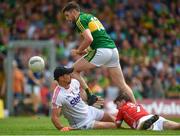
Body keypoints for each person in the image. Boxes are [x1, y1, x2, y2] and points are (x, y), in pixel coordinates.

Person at [61, 1, 136, 104]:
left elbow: (89, 39)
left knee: (72, 71)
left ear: (74, 12)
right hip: (113, 50)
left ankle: (90, 95)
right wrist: (83, 51)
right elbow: (95, 40)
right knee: (122, 85)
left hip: (102, 51)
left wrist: (78, 51)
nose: (67, 19)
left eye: (67, 15)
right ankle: (139, 110)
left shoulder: (80, 20)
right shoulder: (89, 16)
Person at [51, 66, 117, 131]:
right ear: (61, 78)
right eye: (67, 74)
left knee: (115, 120)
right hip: (82, 123)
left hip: (90, 110)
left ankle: (125, 128)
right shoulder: (58, 95)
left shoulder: (74, 82)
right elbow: (54, 117)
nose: (70, 75)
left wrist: (90, 98)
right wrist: (61, 127)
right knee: (113, 126)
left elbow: (81, 96)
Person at [114, 92, 180, 131]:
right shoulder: (137, 105)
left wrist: (125, 128)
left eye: (117, 104)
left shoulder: (122, 109)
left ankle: (146, 126)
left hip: (141, 121)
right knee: (176, 126)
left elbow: (117, 125)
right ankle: (148, 125)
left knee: (141, 127)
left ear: (123, 101)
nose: (117, 107)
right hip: (152, 116)